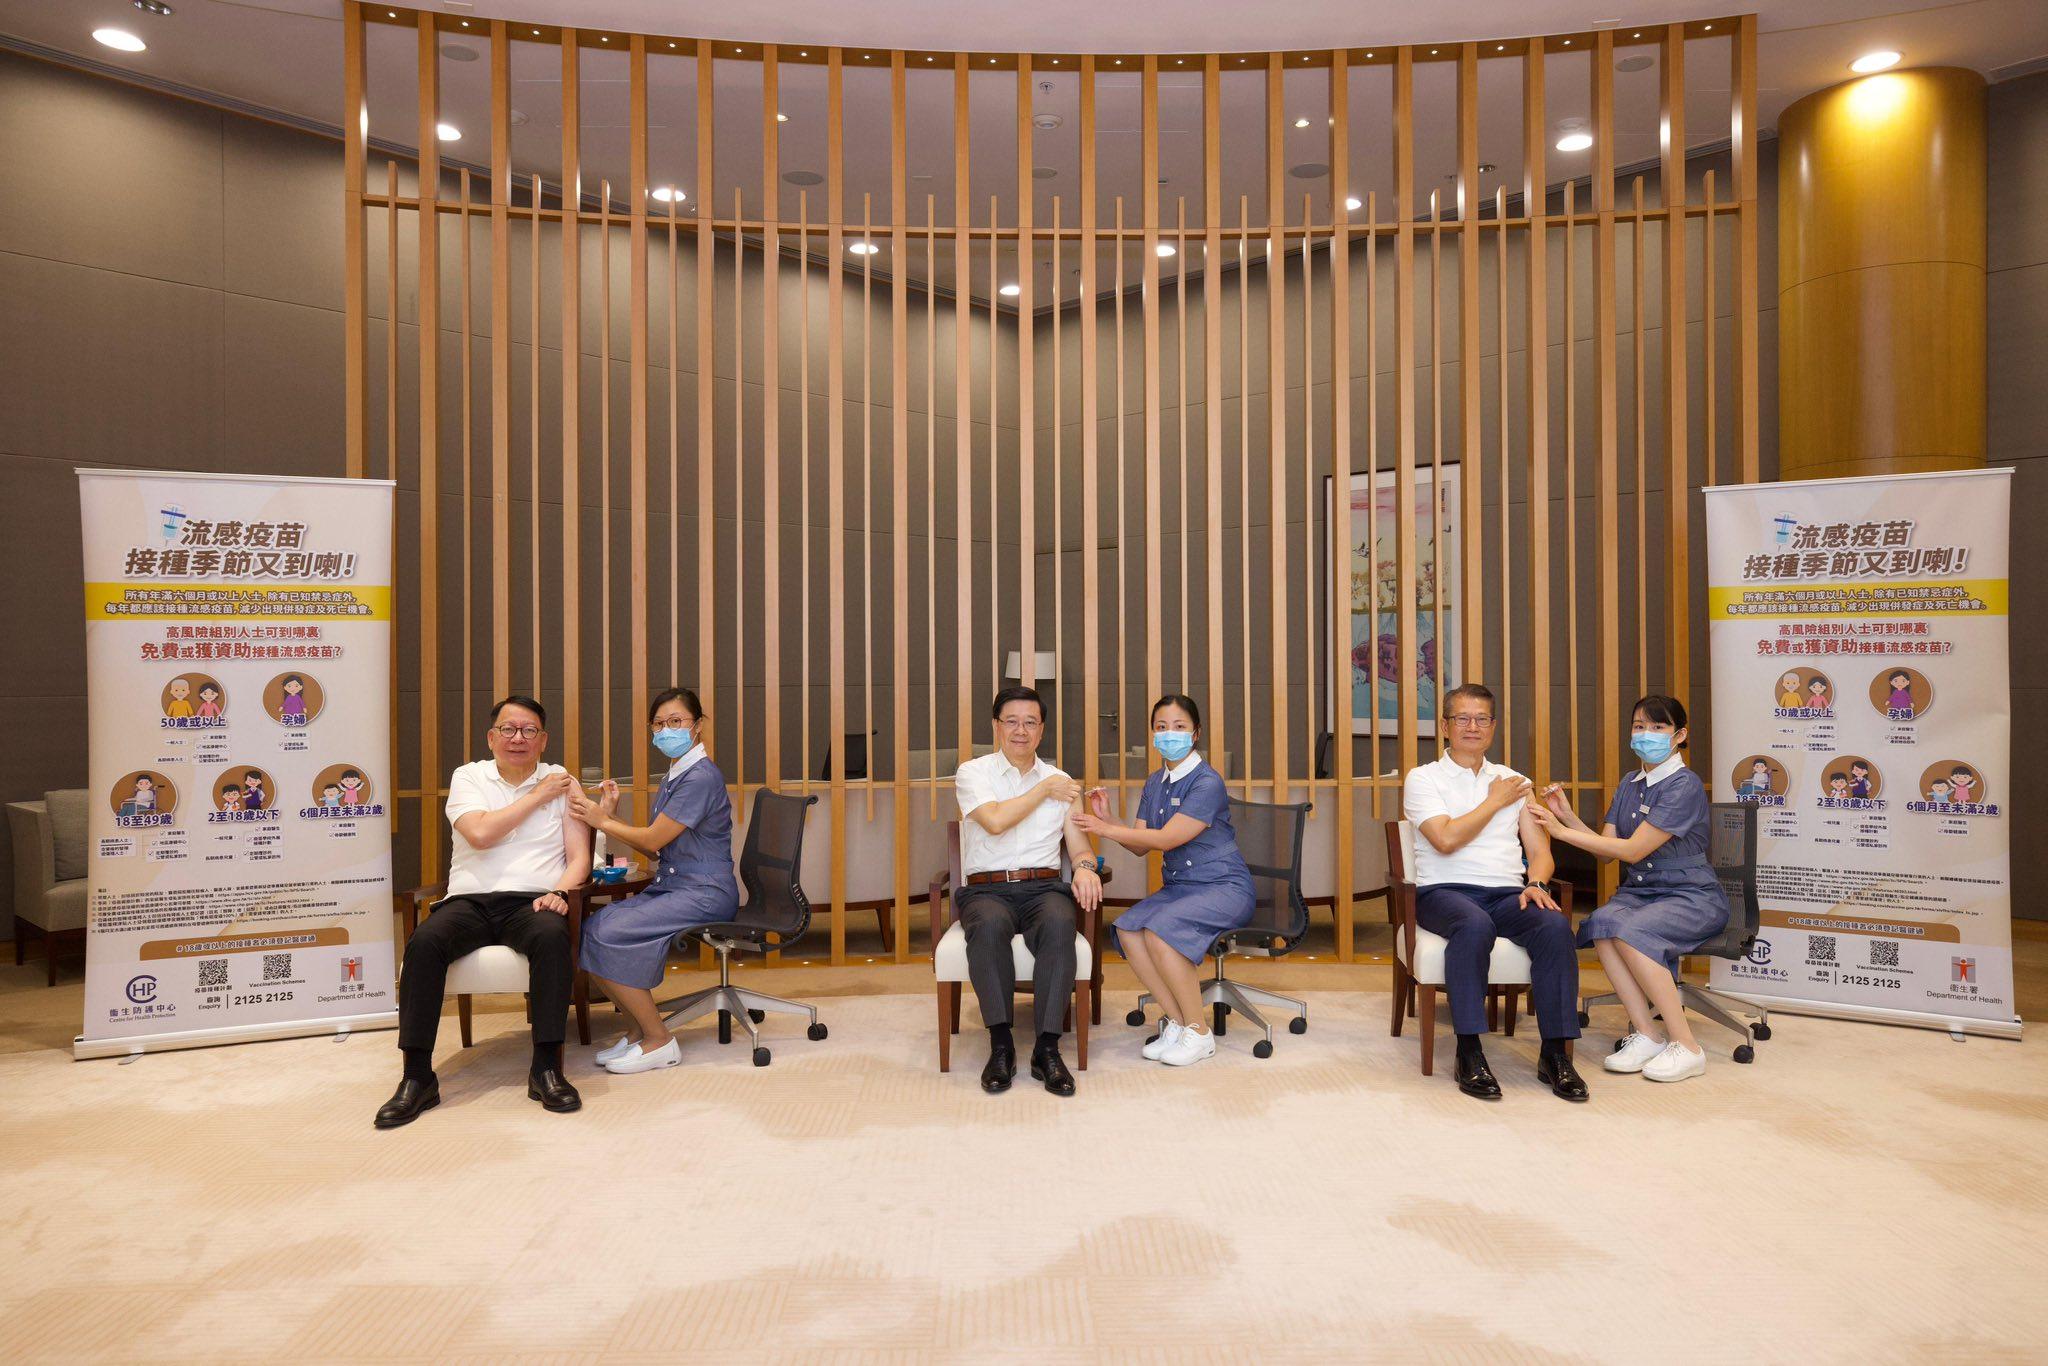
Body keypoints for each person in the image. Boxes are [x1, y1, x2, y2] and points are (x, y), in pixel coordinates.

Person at [375, 694, 591, 1129]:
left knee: (552, 937)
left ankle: (546, 1069)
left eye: (529, 730)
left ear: (543, 739)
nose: (518, 738)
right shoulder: (469, 776)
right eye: (508, 729)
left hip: (533, 899)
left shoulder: (563, 781)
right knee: (424, 942)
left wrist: (560, 892)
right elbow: (479, 834)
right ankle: (417, 1077)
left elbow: (580, 857)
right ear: (492, 738)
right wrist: (538, 795)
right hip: (469, 900)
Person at [1401, 683, 1584, 1102]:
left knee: (1554, 925)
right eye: (1462, 718)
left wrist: (1536, 883)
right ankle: (1469, 1051)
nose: (1473, 726)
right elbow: (1446, 840)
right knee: (1473, 924)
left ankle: (1555, 1054)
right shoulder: (1423, 778)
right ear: (1445, 726)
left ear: (1494, 726)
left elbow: (1540, 852)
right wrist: (1494, 801)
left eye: (1482, 719)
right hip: (1443, 892)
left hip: (1506, 893)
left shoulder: (1516, 782)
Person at [1532, 695, 1728, 1084]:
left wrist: (1559, 833)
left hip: (1691, 895)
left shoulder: (1684, 785)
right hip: (1642, 892)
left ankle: (1687, 1046)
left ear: (1679, 735)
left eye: (1658, 727)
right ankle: (1648, 1034)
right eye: (1639, 726)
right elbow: (1607, 851)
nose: (1646, 734)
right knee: (1603, 923)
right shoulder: (1629, 783)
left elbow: (1633, 850)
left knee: (1631, 931)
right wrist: (1566, 815)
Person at [566, 688, 740, 1075]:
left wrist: (602, 819)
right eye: (658, 724)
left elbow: (652, 840)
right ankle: (637, 1032)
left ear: (697, 725)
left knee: (606, 931)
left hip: (704, 892)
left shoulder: (700, 777)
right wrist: (610, 815)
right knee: (592, 928)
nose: (666, 730)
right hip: (676, 884)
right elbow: (659, 846)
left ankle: (659, 1039)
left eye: (676, 721)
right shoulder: (676, 775)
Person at [1073, 694, 1252, 1067]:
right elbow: (1141, 845)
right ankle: (1178, 1022)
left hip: (1223, 886)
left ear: (1196, 733)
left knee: (1160, 931)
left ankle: (1199, 1033)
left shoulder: (1207, 782)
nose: (1170, 734)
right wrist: (1111, 819)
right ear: (1153, 734)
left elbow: (1168, 839)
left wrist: (1104, 829)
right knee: (1128, 929)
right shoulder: (1155, 782)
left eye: (1179, 726)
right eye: (1161, 727)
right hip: (1180, 888)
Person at [952, 686, 1104, 1097]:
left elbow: (1079, 846)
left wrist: (1086, 868)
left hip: (1043, 887)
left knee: (1059, 923)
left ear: (1042, 730)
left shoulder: (1062, 783)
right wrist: (1042, 790)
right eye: (1012, 721)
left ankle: (1047, 1049)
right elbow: (995, 821)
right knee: (987, 927)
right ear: (996, 726)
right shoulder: (973, 772)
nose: (1021, 730)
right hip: (987, 889)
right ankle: (1001, 1046)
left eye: (1030, 722)